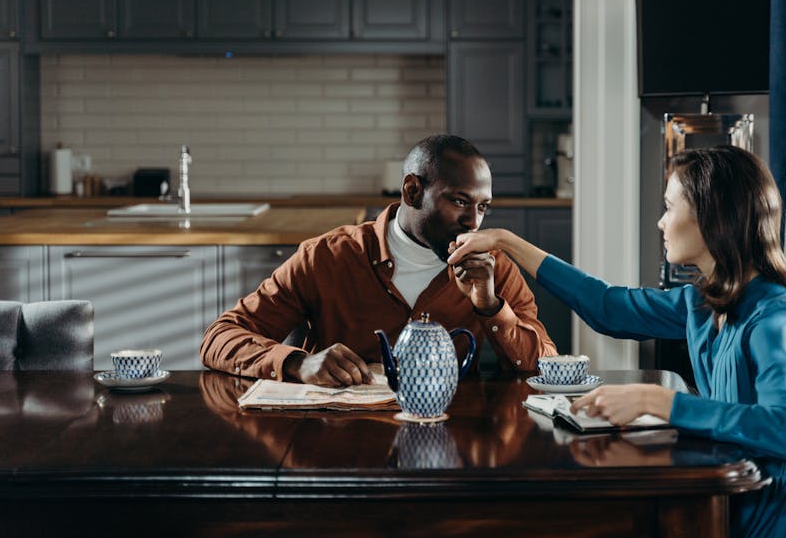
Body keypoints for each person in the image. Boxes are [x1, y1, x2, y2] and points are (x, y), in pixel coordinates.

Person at [447, 145, 786, 538]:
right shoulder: (701, 303)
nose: (662, 222)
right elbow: (607, 307)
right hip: (731, 497)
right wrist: (505, 242)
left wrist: (659, 401)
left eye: (669, 207)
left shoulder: (777, 318)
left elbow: (783, 430)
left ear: (712, 217)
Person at [201, 134, 557, 386]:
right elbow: (219, 337)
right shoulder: (326, 257)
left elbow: (545, 366)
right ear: (412, 191)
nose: (474, 222)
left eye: (482, 207)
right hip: (339, 446)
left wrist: (490, 305)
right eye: (460, 202)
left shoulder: (494, 267)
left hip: (454, 445)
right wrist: (297, 363)